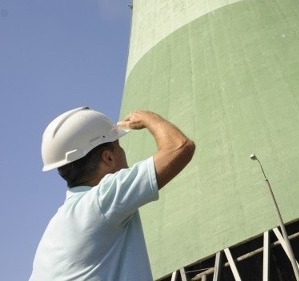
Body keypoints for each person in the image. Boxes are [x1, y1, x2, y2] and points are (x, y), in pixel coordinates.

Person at [30, 107, 196, 280]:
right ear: (108, 158)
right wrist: (148, 118)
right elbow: (180, 147)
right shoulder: (102, 200)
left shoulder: (54, 231)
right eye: (119, 147)